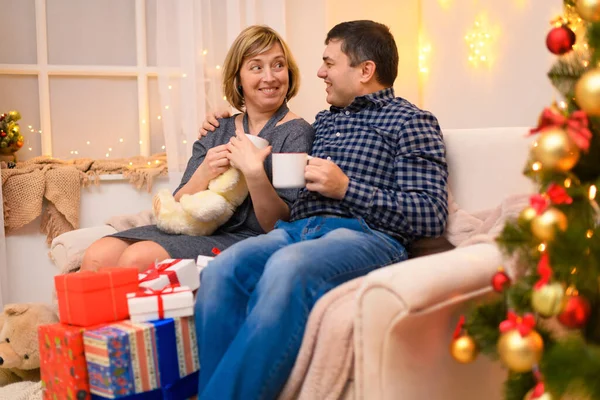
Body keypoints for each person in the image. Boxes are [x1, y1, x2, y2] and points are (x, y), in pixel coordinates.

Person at [195, 20, 449, 399]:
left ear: (365, 71)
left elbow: (431, 213)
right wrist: (225, 117)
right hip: (298, 230)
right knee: (221, 271)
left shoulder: (412, 121)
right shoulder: (325, 121)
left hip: (366, 235)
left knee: (289, 266)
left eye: (329, 63)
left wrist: (346, 187)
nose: (319, 72)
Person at [80, 25, 315, 272]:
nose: (270, 77)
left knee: (136, 260)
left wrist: (255, 173)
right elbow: (179, 202)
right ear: (238, 80)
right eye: (257, 67)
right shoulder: (218, 127)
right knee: (98, 254)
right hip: (198, 230)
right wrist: (204, 171)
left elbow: (282, 225)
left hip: (249, 238)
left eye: (278, 65)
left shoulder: (297, 132)